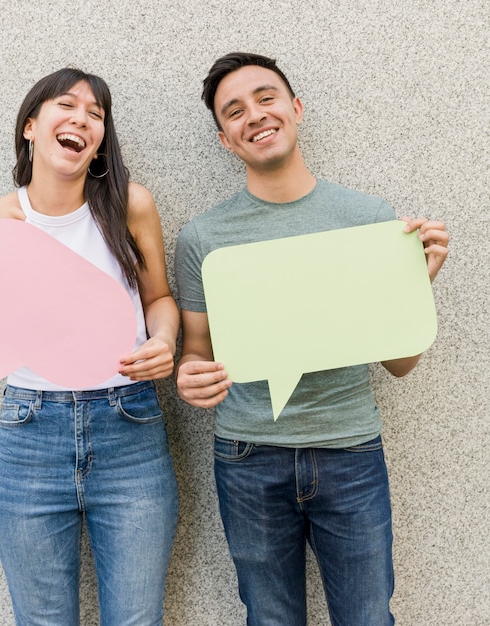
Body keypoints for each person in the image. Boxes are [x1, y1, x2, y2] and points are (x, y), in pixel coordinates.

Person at [174, 52, 449, 626]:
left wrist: (414, 288)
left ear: (296, 109)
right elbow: (197, 351)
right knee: (270, 619)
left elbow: (399, 363)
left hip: (350, 449)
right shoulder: (203, 237)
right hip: (247, 456)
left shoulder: (368, 219)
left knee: (368, 617)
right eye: (235, 111)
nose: (254, 115)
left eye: (266, 97)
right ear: (225, 139)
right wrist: (190, 377)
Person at [0, 68, 179, 626]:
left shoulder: (130, 205)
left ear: (99, 141)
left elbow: (160, 298)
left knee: (137, 619)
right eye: (67, 105)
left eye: (96, 114)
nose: (82, 119)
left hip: (129, 426)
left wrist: (164, 339)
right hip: (29, 433)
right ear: (31, 127)